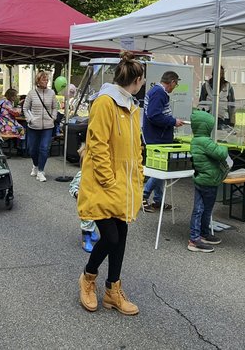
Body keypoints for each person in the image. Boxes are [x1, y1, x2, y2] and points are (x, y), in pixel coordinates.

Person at [76, 51, 144, 315]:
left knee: (121, 237)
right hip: (104, 185)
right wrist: (109, 180)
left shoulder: (133, 107)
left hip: (125, 186)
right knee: (111, 237)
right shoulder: (105, 102)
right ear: (137, 79)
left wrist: (138, 174)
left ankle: (113, 291)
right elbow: (98, 145)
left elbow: (136, 147)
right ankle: (88, 277)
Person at [187, 110, 231, 253]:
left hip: (200, 179)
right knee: (205, 210)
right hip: (209, 181)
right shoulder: (205, 142)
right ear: (206, 127)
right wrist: (224, 147)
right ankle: (195, 238)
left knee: (199, 209)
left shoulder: (196, 140)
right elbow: (221, 154)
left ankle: (201, 234)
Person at [142, 71, 185, 212]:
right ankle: (143, 195)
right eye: (176, 84)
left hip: (156, 136)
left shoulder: (156, 91)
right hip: (157, 138)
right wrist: (173, 121)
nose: (175, 87)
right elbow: (154, 116)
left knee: (160, 167)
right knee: (160, 169)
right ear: (172, 82)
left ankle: (158, 201)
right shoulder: (159, 93)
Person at [23, 71, 58, 182]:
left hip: (48, 125)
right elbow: (25, 108)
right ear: (38, 80)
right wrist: (30, 119)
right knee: (32, 149)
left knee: (44, 148)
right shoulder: (31, 93)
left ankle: (41, 171)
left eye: (47, 79)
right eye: (43, 79)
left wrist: (53, 117)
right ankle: (35, 165)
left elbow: (55, 107)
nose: (46, 81)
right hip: (34, 126)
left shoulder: (51, 93)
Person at [69, 167, 98, 252]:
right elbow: (73, 186)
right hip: (86, 202)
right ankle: (86, 240)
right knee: (87, 220)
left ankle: (92, 230)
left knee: (98, 218)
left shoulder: (102, 173)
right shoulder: (82, 174)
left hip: (98, 201)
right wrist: (77, 194)